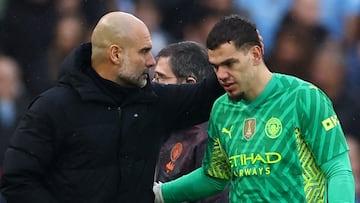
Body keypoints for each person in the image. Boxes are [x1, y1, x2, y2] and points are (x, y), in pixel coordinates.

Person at [0, 11, 224, 203]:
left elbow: (207, 95)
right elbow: (18, 180)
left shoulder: (153, 100)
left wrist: (237, 51)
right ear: (115, 54)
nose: (151, 61)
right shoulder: (53, 107)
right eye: (143, 51)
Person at [153, 14, 355, 203]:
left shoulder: (303, 97)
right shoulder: (222, 109)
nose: (221, 75)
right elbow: (214, 176)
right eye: (216, 67)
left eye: (230, 64)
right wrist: (160, 194)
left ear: (256, 54)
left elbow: (337, 170)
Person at [153, 41, 228, 203]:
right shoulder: (160, 126)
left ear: (189, 84)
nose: (154, 87)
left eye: (161, 78)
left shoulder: (208, 137)